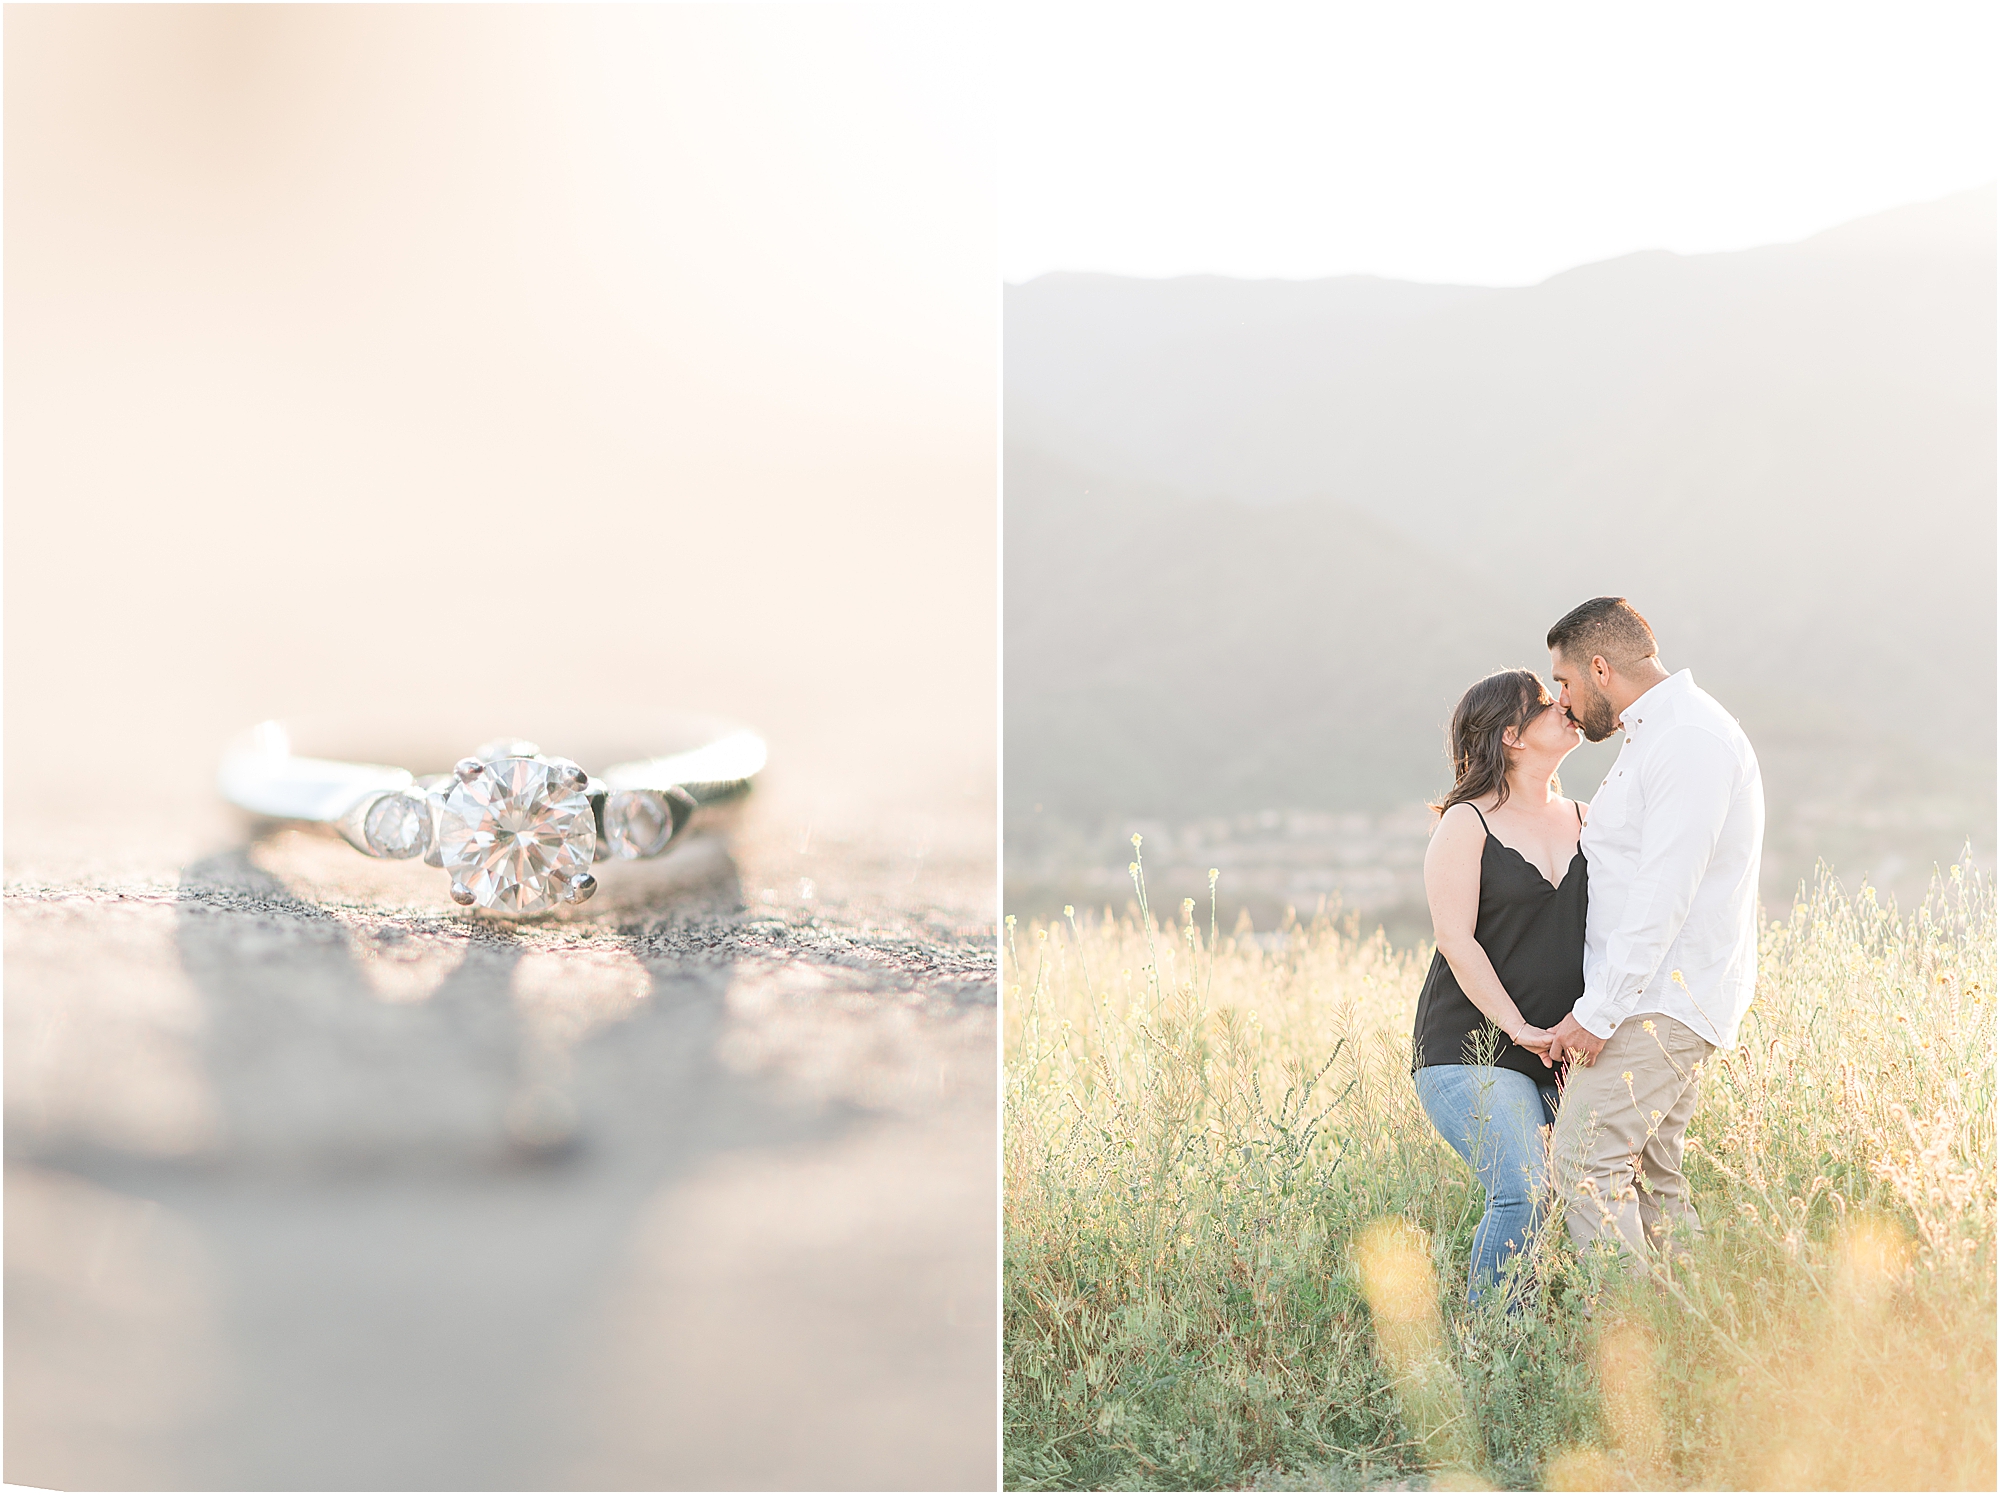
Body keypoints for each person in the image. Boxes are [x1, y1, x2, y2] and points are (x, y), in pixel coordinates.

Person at [1542, 597, 1764, 1263]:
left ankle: (1627, 1345)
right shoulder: (1659, 735)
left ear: (1601, 667)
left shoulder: (1688, 739)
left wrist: (1599, 1012)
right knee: (1654, 1180)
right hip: (1658, 998)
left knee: (1582, 1164)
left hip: (1654, 1004)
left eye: (1565, 682)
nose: (1563, 701)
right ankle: (1685, 1343)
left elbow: (1664, 894)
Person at [1412, 667, 1587, 1303]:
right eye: (1546, 703)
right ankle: (1489, 1359)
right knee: (1522, 1190)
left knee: (1586, 1197)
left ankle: (1551, 1339)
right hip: (1471, 1048)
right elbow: (1455, 940)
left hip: (1566, 1051)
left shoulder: (1590, 820)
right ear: (1512, 735)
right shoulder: (1466, 823)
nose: (1563, 705)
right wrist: (1516, 1028)